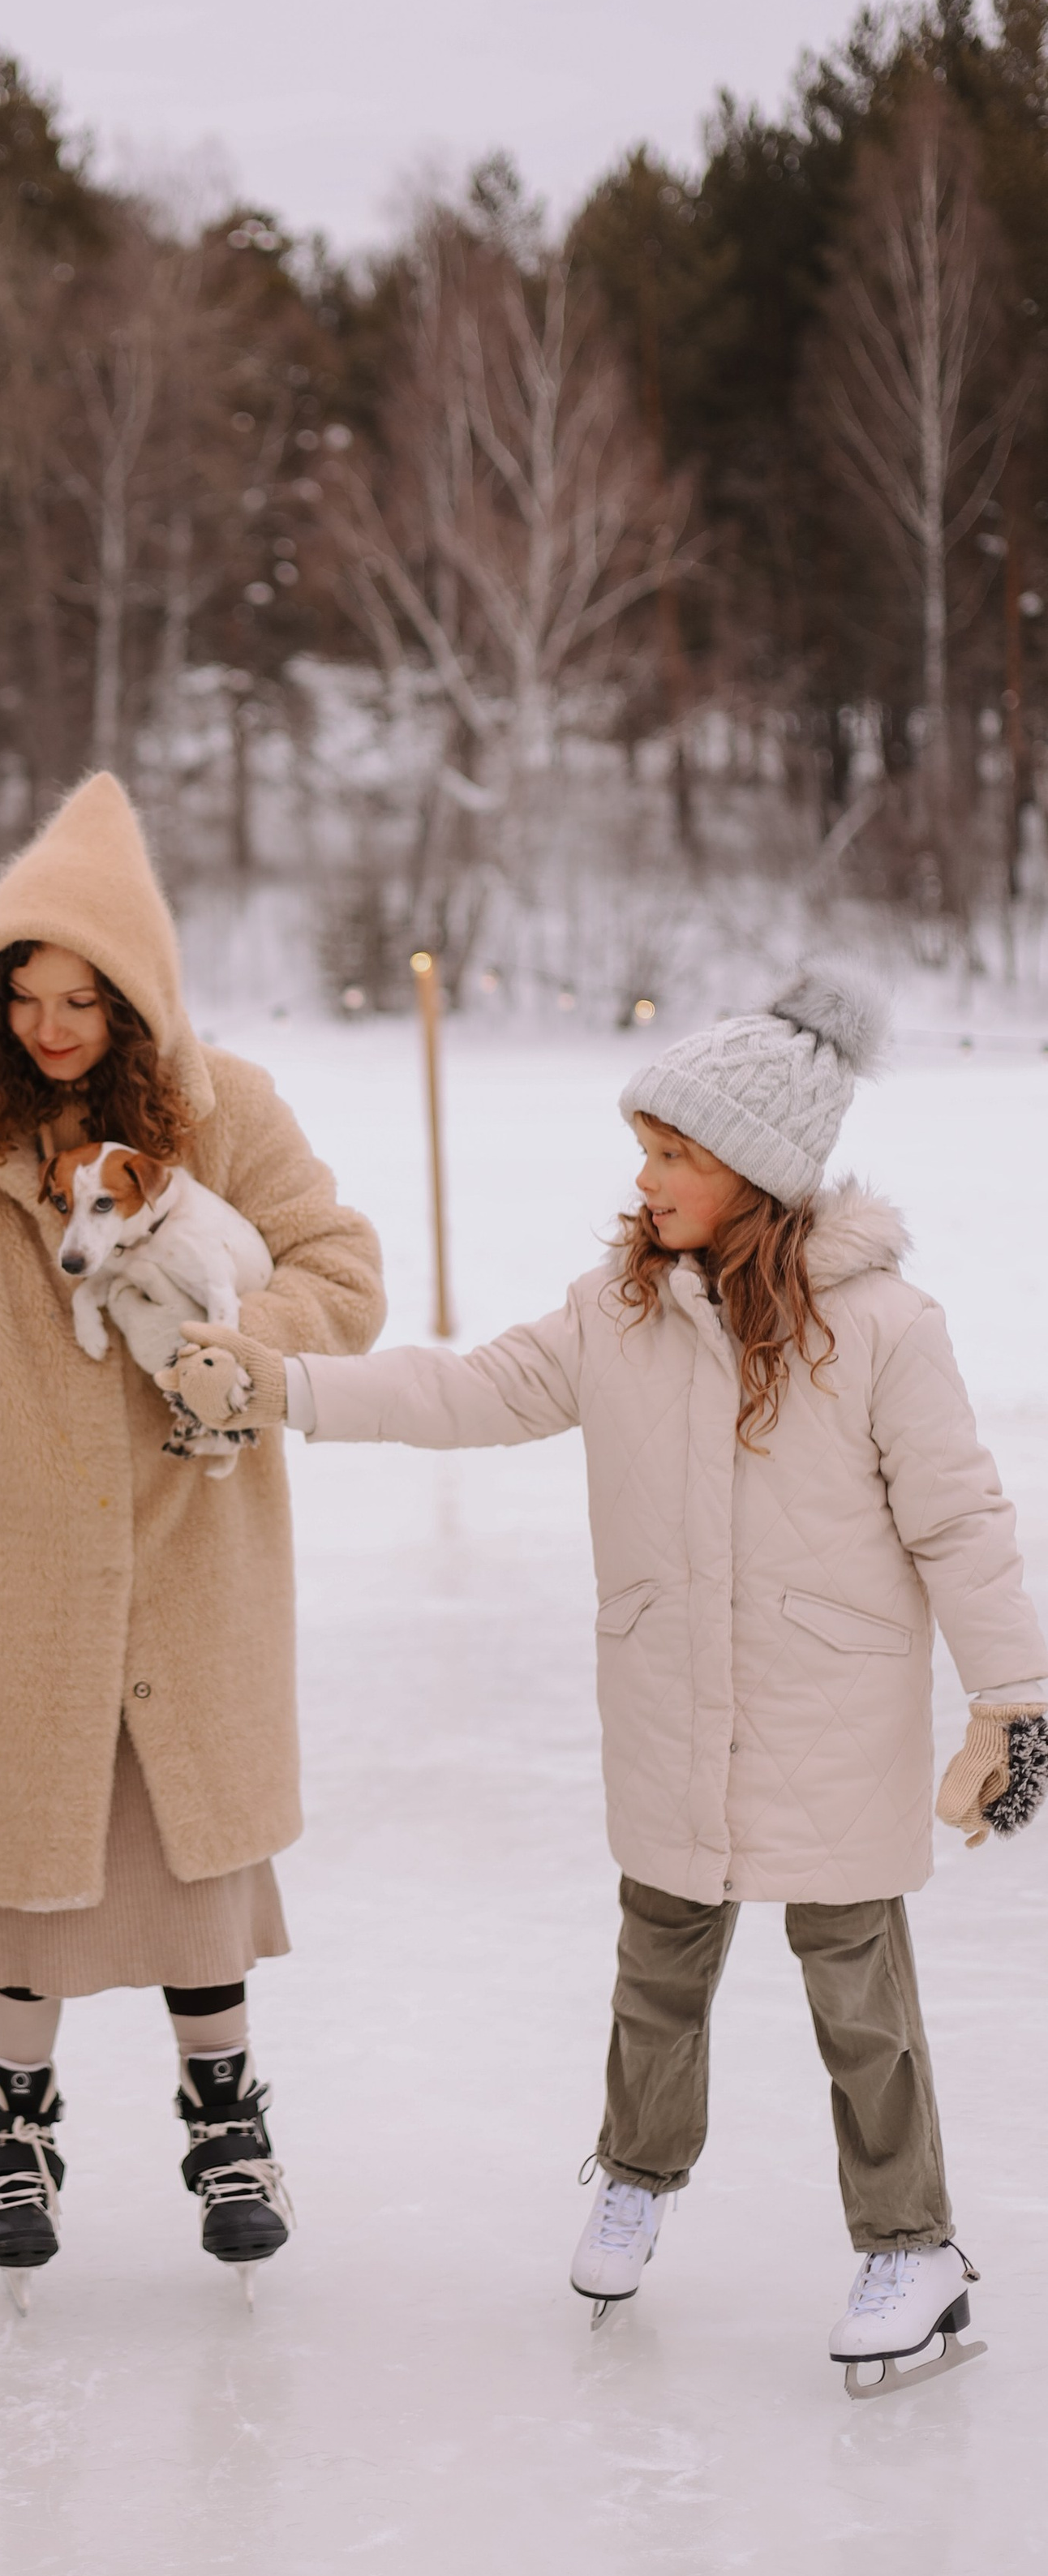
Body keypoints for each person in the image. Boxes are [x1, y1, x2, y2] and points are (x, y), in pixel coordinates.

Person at [181, 971, 1048, 2389]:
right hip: (668, 1702)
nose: (642, 1181)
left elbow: (960, 1520)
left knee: (857, 1993)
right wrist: (286, 1391)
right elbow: (468, 1392)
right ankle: (637, 2176)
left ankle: (913, 2247)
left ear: (755, 1176)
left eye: (671, 1156)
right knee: (660, 1963)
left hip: (831, 1710)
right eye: (642, 1151)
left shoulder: (888, 1328)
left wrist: (1012, 1701)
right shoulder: (617, 1311)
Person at [0, 772, 385, 2286]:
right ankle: (15, 2125)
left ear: (139, 1000)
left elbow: (338, 1263)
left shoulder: (226, 1108)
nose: (52, 1027)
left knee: (195, 1852)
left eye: (85, 997)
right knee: (19, 1862)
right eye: (25, 993)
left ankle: (224, 2115)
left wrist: (248, 1346)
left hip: (190, 1549)